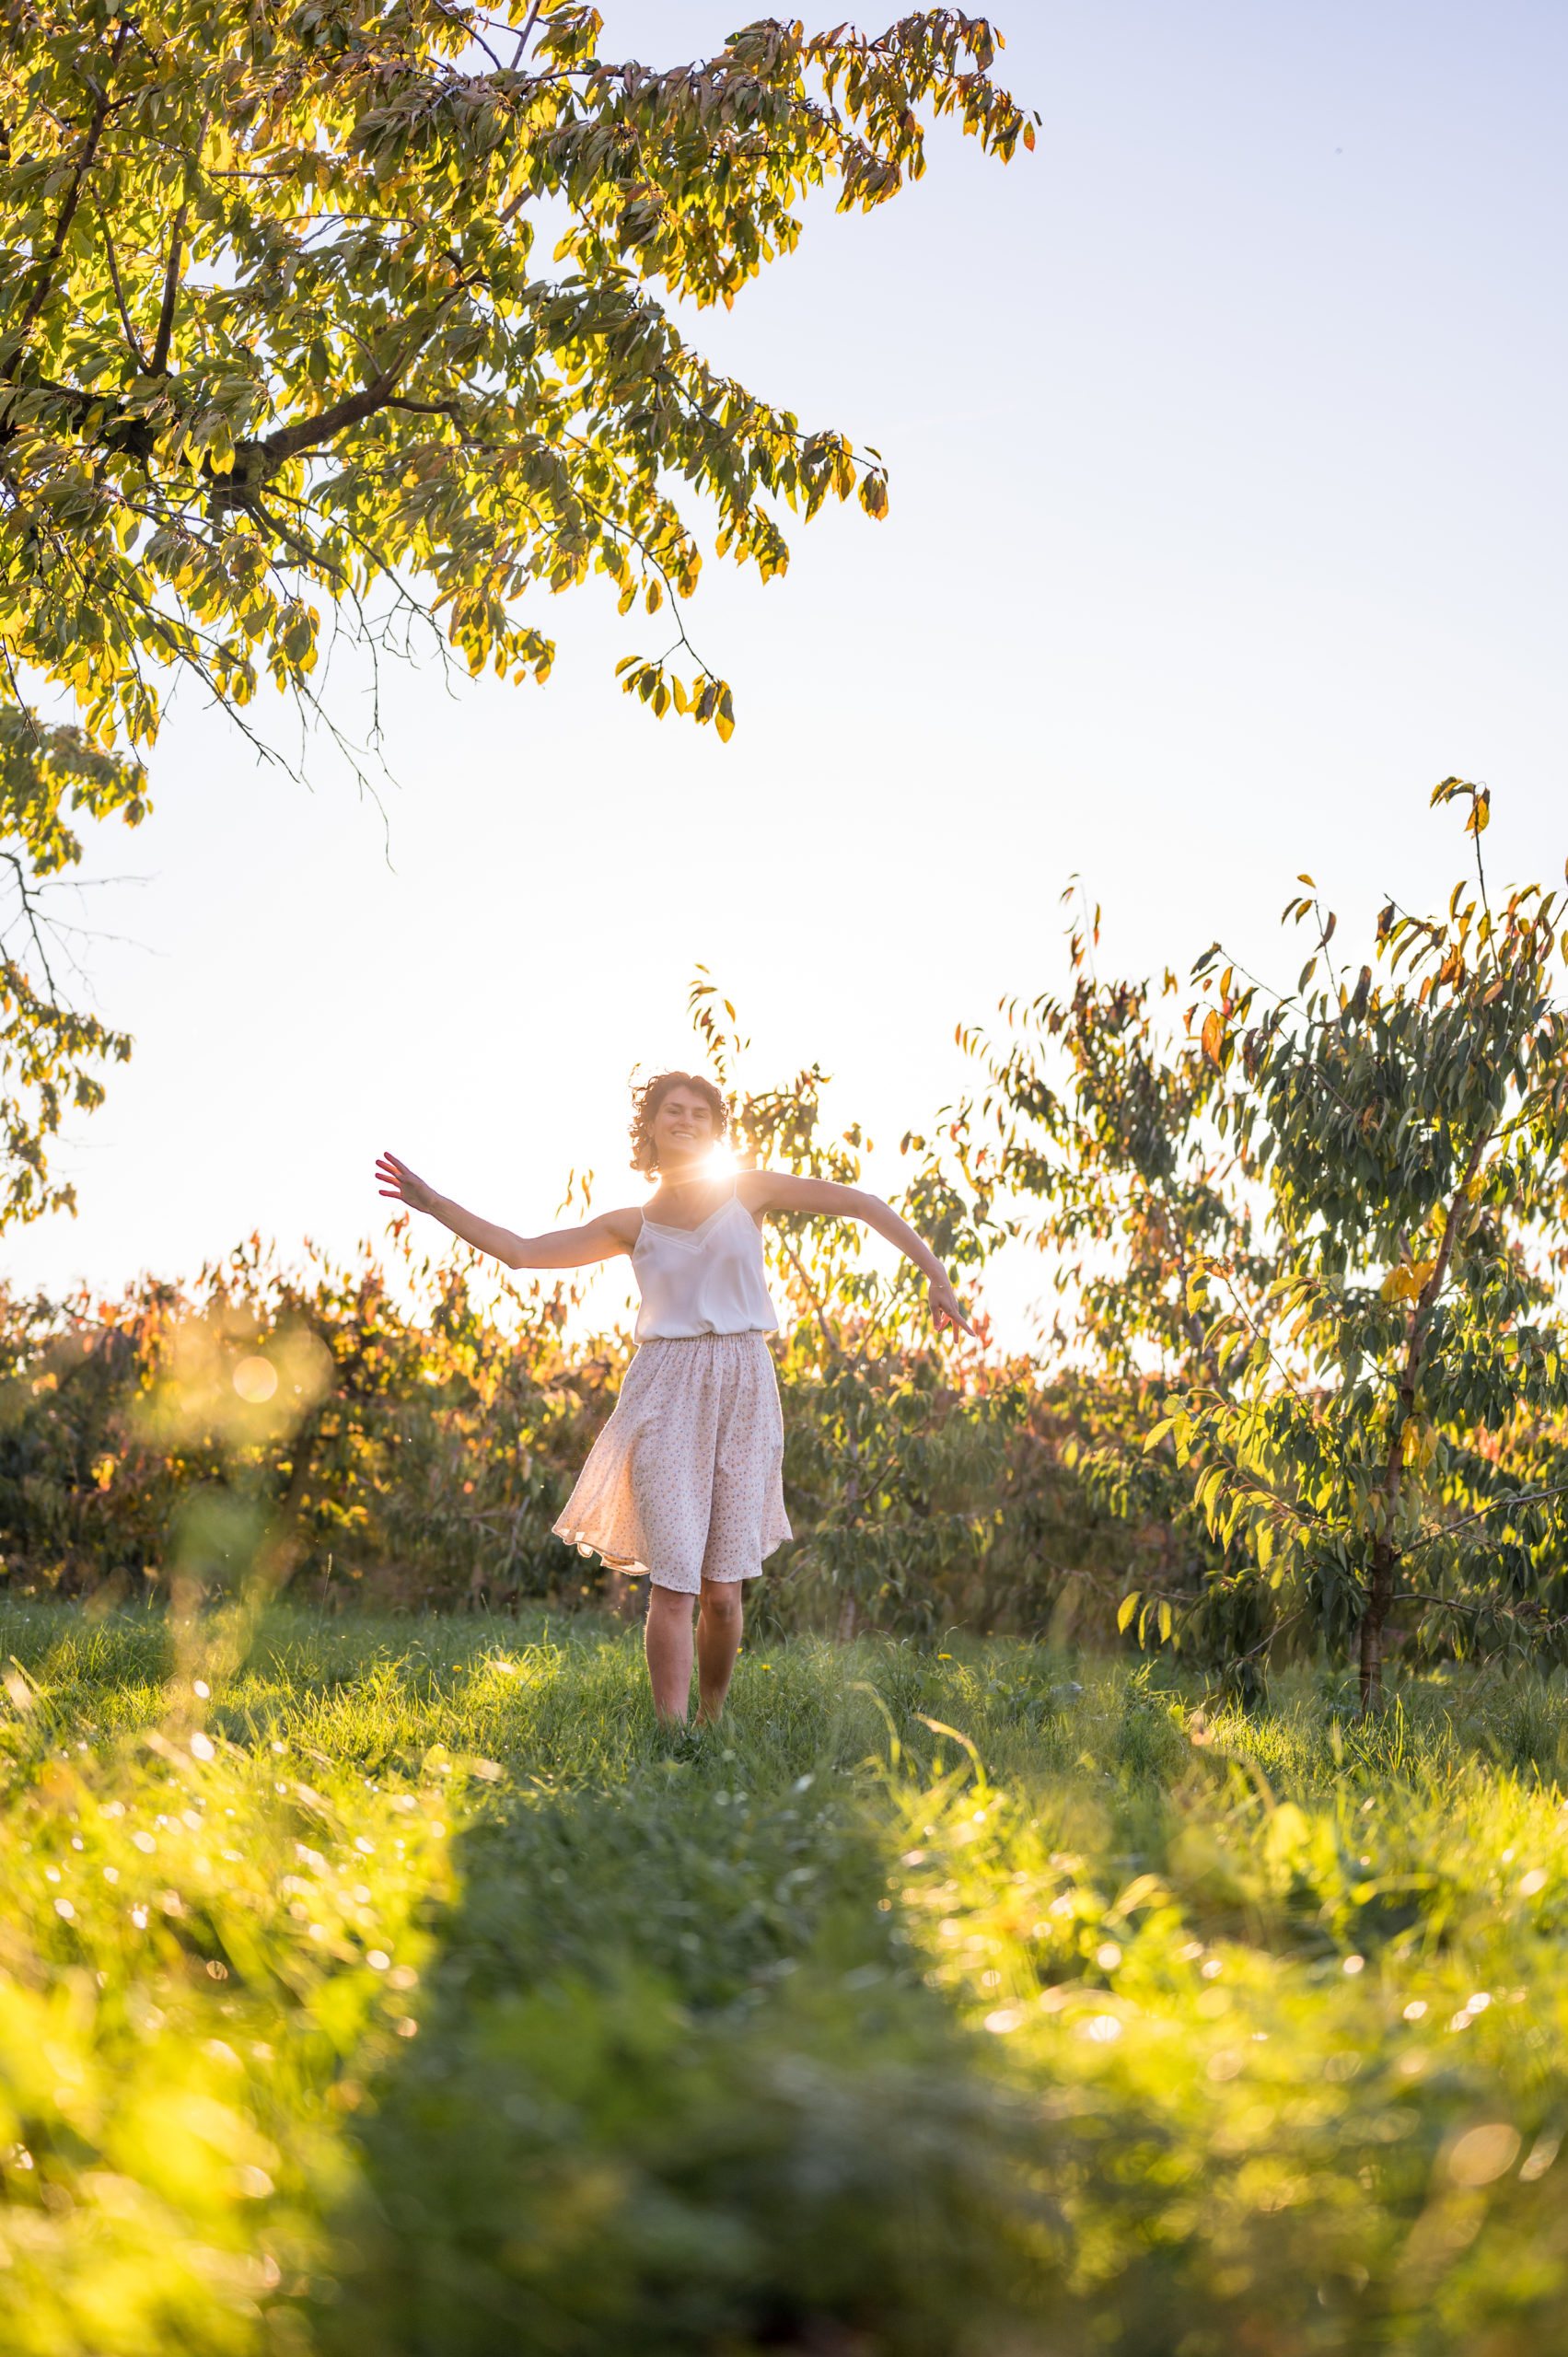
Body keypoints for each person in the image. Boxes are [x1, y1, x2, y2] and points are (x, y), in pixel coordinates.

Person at [375, 1071, 972, 1725]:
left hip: (744, 1383)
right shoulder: (629, 1224)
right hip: (663, 1386)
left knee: (721, 1591)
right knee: (674, 1583)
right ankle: (672, 1734)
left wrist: (936, 1275)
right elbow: (521, 1252)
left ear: (716, 1130)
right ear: (651, 1128)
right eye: (671, 1112)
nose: (684, 1121)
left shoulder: (750, 1191)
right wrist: (435, 1204)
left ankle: (711, 1722)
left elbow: (862, 1203)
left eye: (698, 1113)